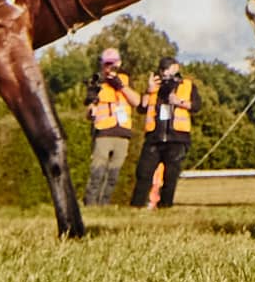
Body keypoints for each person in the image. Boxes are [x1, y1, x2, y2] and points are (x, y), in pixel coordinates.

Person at [131, 56, 194, 209]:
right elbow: (141, 108)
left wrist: (178, 102)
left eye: (169, 69)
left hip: (177, 138)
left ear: (176, 68)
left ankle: (166, 206)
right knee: (143, 173)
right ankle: (136, 206)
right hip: (154, 137)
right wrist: (148, 90)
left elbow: (196, 106)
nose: (165, 73)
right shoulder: (154, 87)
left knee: (170, 176)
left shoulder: (187, 85)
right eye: (163, 69)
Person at [82, 47, 140, 207]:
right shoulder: (97, 82)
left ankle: (104, 204)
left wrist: (121, 86)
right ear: (102, 65)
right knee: (97, 172)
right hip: (103, 133)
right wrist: (91, 107)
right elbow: (89, 113)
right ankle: (91, 204)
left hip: (122, 132)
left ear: (119, 64)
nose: (110, 68)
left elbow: (137, 102)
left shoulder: (126, 80)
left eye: (113, 65)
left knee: (113, 174)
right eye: (107, 65)